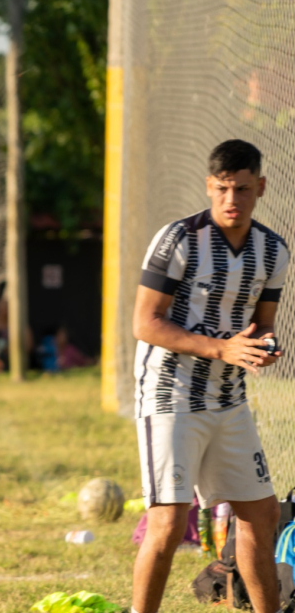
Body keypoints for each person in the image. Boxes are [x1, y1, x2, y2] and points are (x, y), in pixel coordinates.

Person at [130, 140, 288, 613]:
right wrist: (221, 347)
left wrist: (265, 347)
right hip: (170, 396)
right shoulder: (177, 240)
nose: (231, 199)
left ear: (260, 187)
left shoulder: (273, 250)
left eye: (241, 188)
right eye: (221, 189)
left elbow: (262, 324)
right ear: (209, 186)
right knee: (168, 521)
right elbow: (145, 322)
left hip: (228, 400)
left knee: (262, 514)